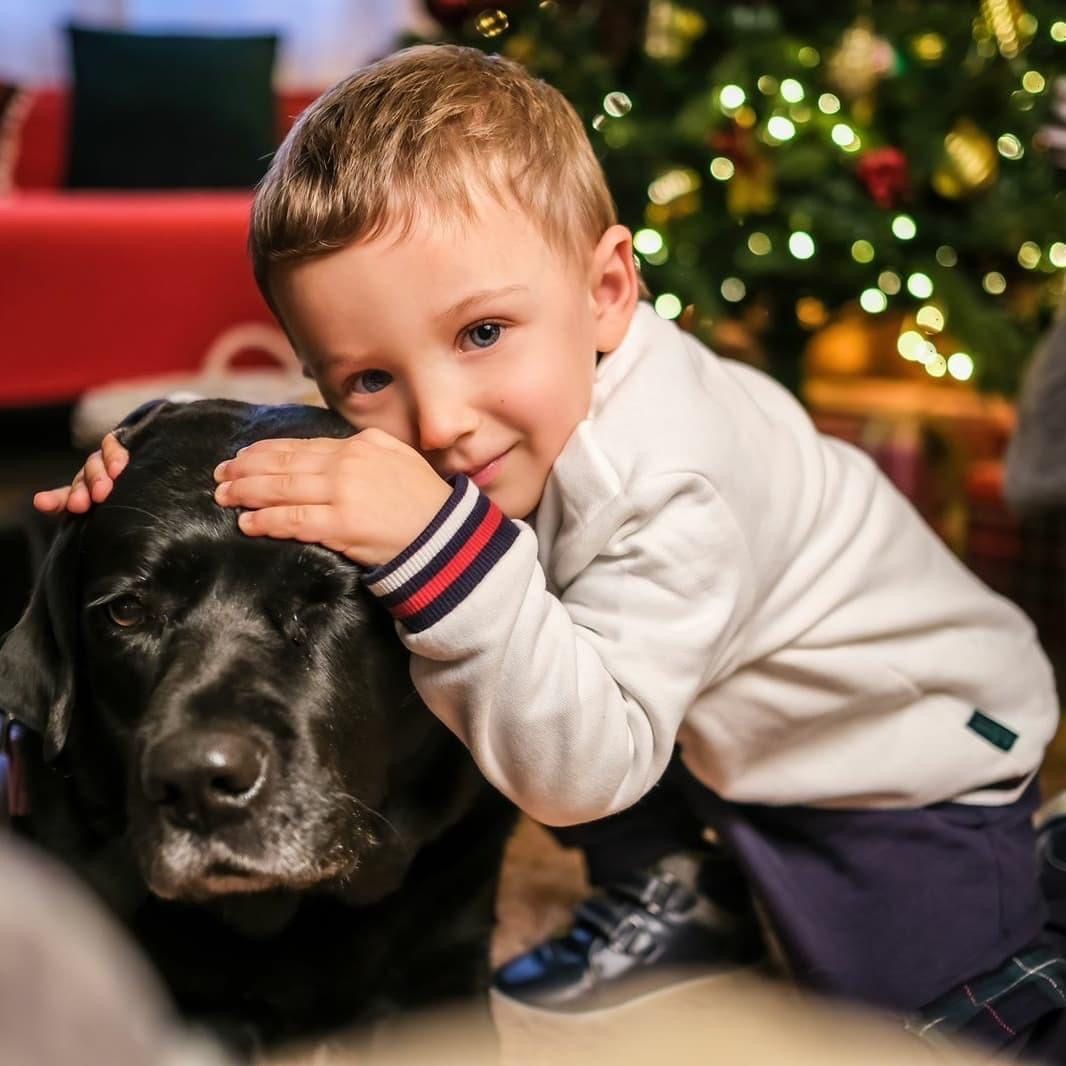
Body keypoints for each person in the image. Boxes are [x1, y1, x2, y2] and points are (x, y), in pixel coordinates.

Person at [34, 43, 1066, 1059]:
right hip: (707, 706)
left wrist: (439, 553)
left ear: (608, 287)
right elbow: (298, 443)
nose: (442, 422)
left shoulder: (667, 483)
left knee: (917, 1031)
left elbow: (583, 770)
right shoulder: (530, 405)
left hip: (903, 752)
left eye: (481, 333)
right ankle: (681, 885)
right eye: (368, 380)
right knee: (523, 653)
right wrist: (151, 448)